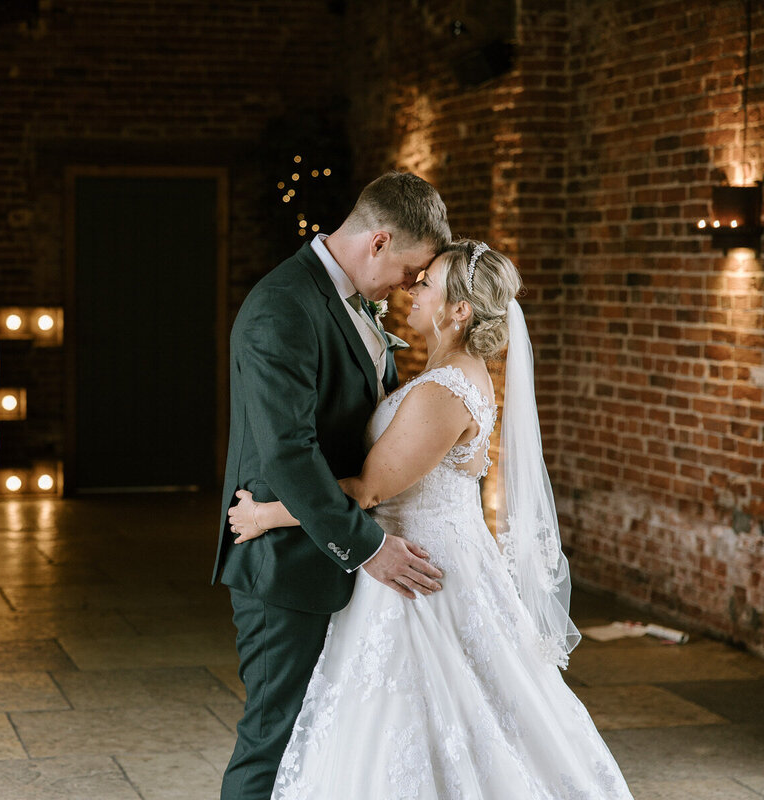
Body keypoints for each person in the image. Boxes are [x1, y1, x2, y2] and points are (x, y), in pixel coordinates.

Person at [227, 240, 634, 799]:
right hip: (424, 552)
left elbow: (368, 490)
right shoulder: (442, 375)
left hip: (417, 572)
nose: (411, 289)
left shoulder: (444, 391)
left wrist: (267, 514)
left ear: (459, 310)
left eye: (427, 284)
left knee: (421, 717)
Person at [212, 171, 452, 800]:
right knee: (275, 739)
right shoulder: (281, 306)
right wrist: (369, 547)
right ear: (378, 242)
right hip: (286, 563)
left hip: (332, 545)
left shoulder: (354, 299)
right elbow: (289, 452)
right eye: (410, 268)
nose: (410, 285)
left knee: (321, 740)